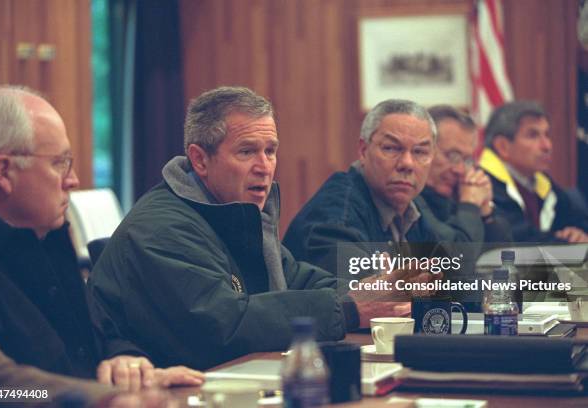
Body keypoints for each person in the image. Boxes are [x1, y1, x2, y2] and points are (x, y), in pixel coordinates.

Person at [88, 87, 429, 370]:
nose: (264, 167)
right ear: (200, 160)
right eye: (247, 151)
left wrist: (376, 290)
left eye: (271, 151)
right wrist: (353, 306)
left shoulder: (233, 210)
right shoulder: (163, 227)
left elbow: (296, 279)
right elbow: (223, 325)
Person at [0, 85, 203, 390]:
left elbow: (103, 336)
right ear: (4, 172)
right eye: (60, 163)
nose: (73, 180)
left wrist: (126, 362)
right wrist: (103, 396)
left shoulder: (51, 237)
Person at [283, 99, 474, 275]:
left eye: (420, 152)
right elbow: (368, 303)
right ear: (363, 151)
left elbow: (457, 273)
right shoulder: (335, 221)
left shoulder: (410, 205)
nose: (407, 163)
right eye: (391, 148)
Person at [479, 101, 588, 242]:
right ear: (503, 146)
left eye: (547, 135)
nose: (547, 146)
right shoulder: (483, 183)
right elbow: (519, 238)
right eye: (533, 135)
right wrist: (566, 243)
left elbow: (577, 219)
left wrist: (577, 233)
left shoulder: (540, 181)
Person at [422, 105, 512, 243]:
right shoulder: (408, 198)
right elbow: (456, 257)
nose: (460, 170)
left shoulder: (456, 192)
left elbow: (502, 256)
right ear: (423, 150)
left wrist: (485, 210)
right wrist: (469, 206)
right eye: (453, 156)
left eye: (467, 160)